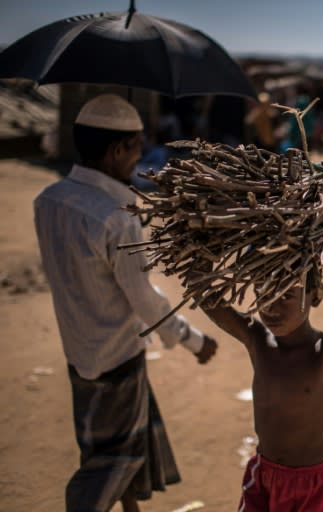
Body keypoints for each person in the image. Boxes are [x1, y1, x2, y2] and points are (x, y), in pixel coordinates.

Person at [33, 94, 219, 512]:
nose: (139, 155)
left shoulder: (48, 200)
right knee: (115, 461)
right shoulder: (117, 216)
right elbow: (144, 301)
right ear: (118, 150)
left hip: (78, 352)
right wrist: (193, 340)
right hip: (118, 356)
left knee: (103, 449)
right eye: (136, 146)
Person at [199, 214, 323, 511]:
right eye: (264, 292)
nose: (272, 306)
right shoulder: (257, 340)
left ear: (315, 295)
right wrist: (208, 237)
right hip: (264, 476)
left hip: (312, 484)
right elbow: (205, 295)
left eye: (286, 295)